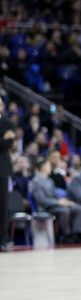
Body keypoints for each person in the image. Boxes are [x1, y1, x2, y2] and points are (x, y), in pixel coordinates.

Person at [0, 98, 16, 252]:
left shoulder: (7, 122)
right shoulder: (6, 127)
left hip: (2, 169)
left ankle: (3, 239)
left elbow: (8, 143)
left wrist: (6, 140)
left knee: (3, 205)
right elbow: (4, 141)